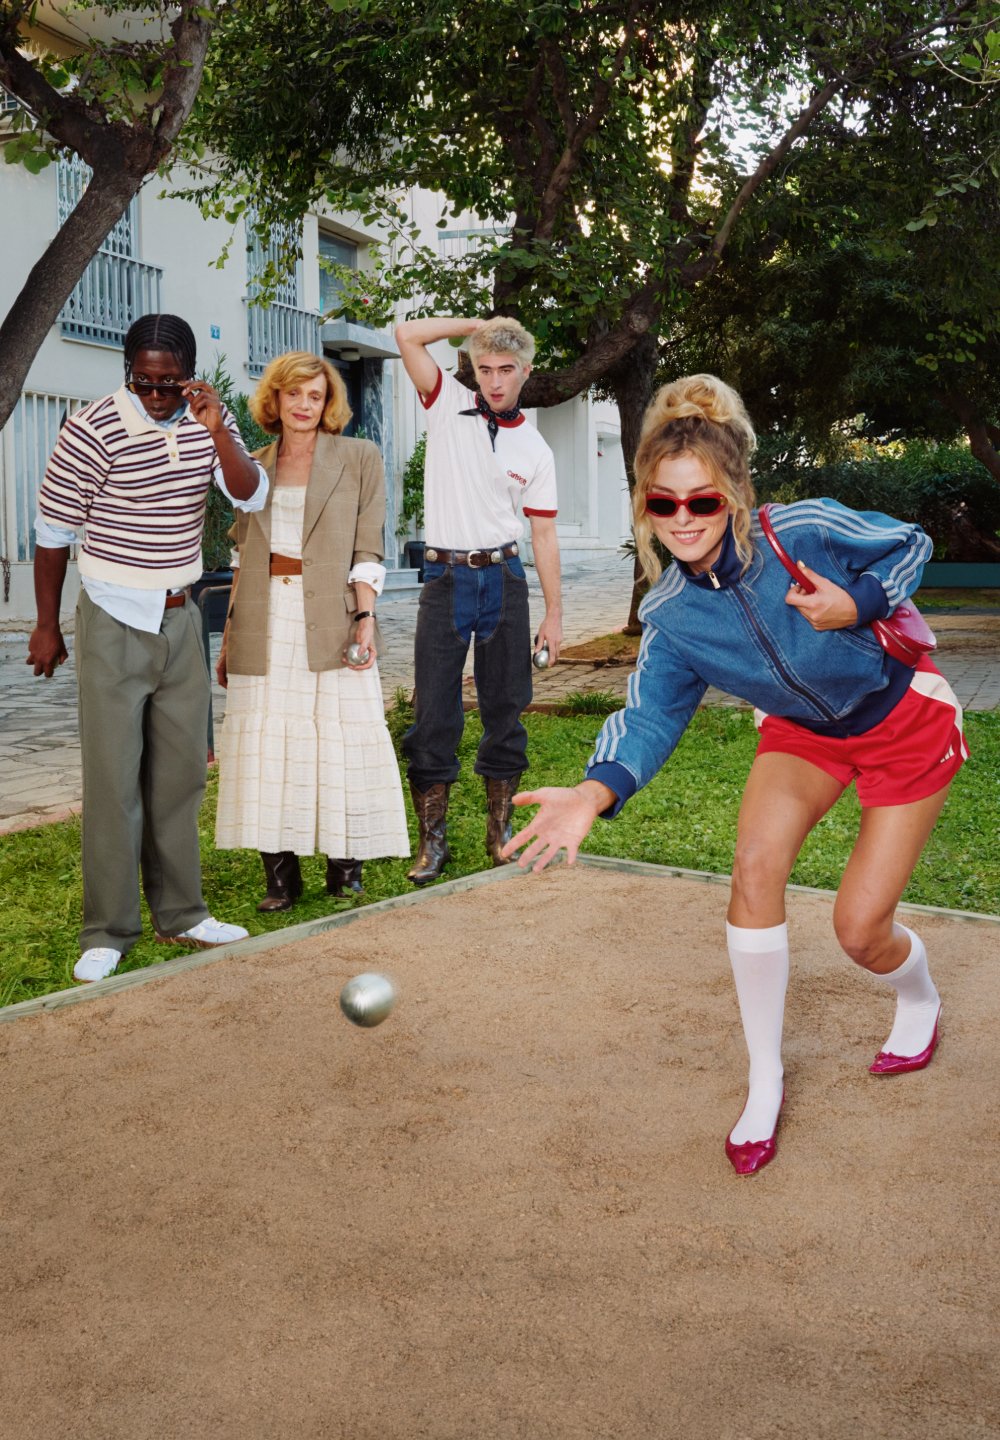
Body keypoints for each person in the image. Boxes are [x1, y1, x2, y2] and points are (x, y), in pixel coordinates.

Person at [503, 374, 967, 1176]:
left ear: (735, 497)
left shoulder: (805, 529)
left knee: (860, 932)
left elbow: (910, 544)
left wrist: (856, 604)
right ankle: (765, 1079)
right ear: (646, 507)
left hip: (900, 720)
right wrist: (592, 789)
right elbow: (650, 715)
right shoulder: (672, 615)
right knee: (753, 866)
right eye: (664, 503)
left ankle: (918, 997)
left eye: (702, 501)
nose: (683, 518)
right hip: (803, 734)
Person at [28, 313, 266, 983]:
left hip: (181, 618)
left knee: (181, 774)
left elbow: (250, 494)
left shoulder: (208, 418)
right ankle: (108, 930)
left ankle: (182, 913)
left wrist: (217, 429)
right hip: (112, 618)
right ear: (127, 373)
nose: (158, 395)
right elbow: (53, 532)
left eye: (170, 382)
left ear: (189, 375)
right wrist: (46, 625)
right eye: (145, 382)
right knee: (114, 780)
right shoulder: (91, 428)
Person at [214, 351, 409, 907]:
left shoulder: (359, 456)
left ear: (329, 403)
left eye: (315, 395)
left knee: (340, 735)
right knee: (267, 746)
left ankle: (345, 867)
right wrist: (229, 639)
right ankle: (280, 876)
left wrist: (365, 617)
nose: (304, 405)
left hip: (334, 616)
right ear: (274, 399)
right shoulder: (251, 465)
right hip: (264, 618)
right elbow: (241, 557)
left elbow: (368, 546)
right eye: (293, 393)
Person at [393, 315, 563, 883]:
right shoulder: (446, 402)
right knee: (433, 712)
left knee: (506, 707)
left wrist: (555, 613)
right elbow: (407, 335)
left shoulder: (535, 447)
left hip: (504, 579)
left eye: (505, 369)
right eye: (485, 368)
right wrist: (479, 324)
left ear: (525, 372)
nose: (494, 381)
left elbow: (543, 534)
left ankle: (500, 831)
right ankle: (433, 843)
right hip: (444, 579)